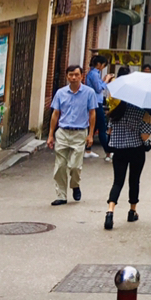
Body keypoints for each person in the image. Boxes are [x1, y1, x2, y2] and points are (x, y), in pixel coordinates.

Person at [46, 64, 98, 206]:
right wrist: (51, 135)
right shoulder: (60, 93)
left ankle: (75, 185)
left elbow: (92, 114)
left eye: (76, 75)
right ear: (67, 76)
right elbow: (55, 114)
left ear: (82, 76)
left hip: (80, 133)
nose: (73, 77)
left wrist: (91, 135)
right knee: (60, 166)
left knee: (75, 166)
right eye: (71, 75)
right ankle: (61, 196)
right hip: (63, 132)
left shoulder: (89, 93)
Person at [104, 100, 151, 230]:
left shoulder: (116, 110)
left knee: (117, 182)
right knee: (134, 181)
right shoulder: (141, 112)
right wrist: (148, 121)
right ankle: (132, 211)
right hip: (136, 150)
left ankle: (110, 211)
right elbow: (144, 137)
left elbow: (109, 132)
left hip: (119, 151)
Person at [85, 55, 110, 159]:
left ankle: (88, 149)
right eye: (103, 65)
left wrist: (103, 80)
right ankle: (108, 152)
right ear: (99, 64)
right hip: (95, 102)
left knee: (94, 126)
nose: (103, 67)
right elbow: (99, 89)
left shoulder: (94, 73)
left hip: (95, 102)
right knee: (102, 127)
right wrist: (106, 81)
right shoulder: (94, 74)